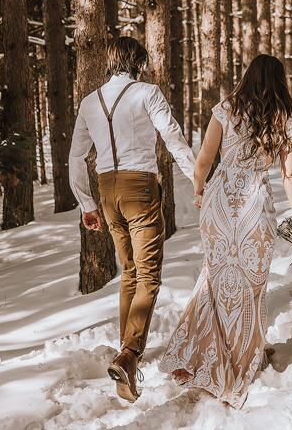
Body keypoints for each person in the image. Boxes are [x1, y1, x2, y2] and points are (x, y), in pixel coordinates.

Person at [159, 54, 292, 409]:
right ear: (279, 82)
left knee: (216, 282)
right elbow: (290, 176)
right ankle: (241, 358)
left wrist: (200, 191)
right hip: (254, 210)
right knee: (250, 287)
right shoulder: (282, 119)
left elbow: (203, 161)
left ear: (247, 77)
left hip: (218, 205)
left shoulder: (225, 109)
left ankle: (203, 358)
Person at [68, 36, 196, 403]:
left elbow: (76, 158)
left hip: (106, 190)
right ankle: (129, 355)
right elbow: (172, 136)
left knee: (130, 272)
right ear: (138, 62)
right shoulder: (147, 93)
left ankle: (126, 355)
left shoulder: (90, 102)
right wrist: (197, 179)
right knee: (149, 274)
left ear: (111, 62)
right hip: (139, 186)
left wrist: (86, 204)